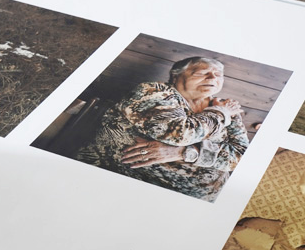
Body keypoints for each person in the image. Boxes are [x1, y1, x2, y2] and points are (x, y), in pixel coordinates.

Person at [75, 56, 249, 201]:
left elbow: (242, 157)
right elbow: (181, 134)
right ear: (175, 76)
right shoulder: (154, 91)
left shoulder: (228, 108)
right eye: (201, 73)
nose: (212, 78)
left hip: (207, 198)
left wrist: (186, 152)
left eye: (218, 75)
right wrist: (219, 113)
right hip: (131, 186)